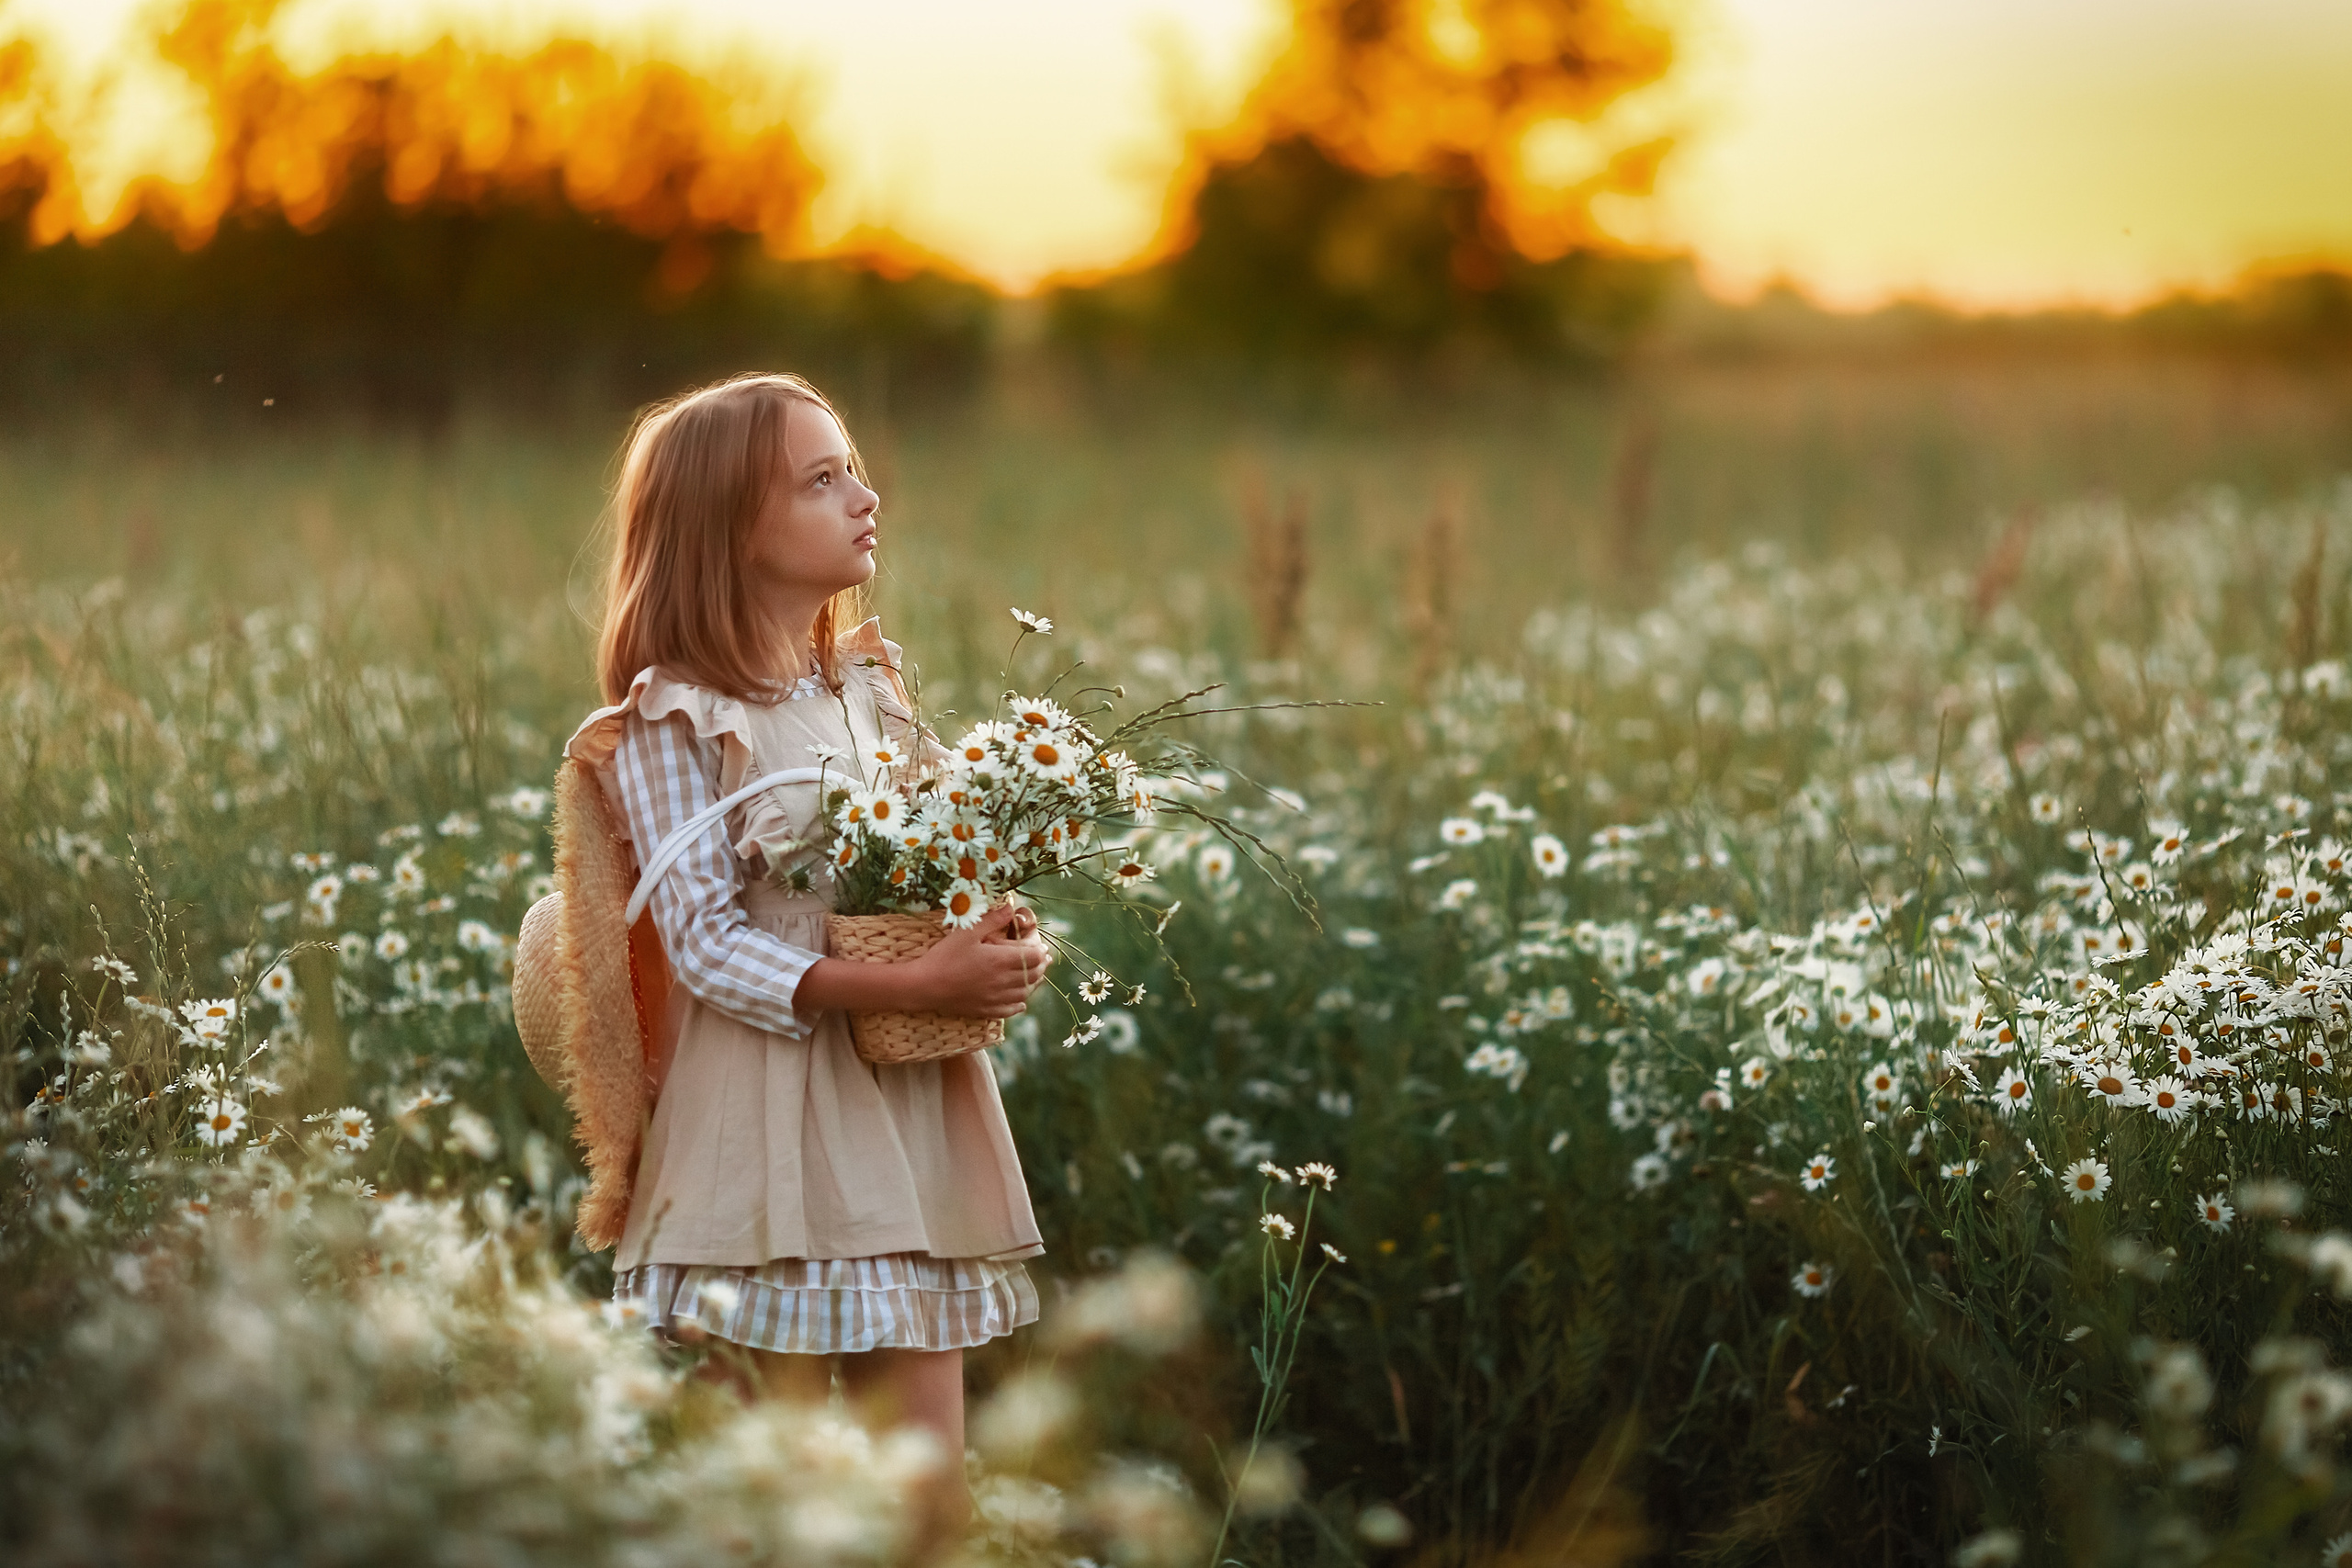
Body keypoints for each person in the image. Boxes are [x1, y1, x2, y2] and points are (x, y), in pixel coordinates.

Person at [560, 372, 1050, 1555]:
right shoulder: (678, 714)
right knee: (763, 1505)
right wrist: (915, 986)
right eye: (822, 480)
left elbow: (933, 861)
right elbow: (705, 943)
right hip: (763, 1126)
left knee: (927, 1503)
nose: (864, 498)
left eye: (856, 469)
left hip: (903, 1113)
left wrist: (988, 929)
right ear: (731, 529)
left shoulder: (866, 693)